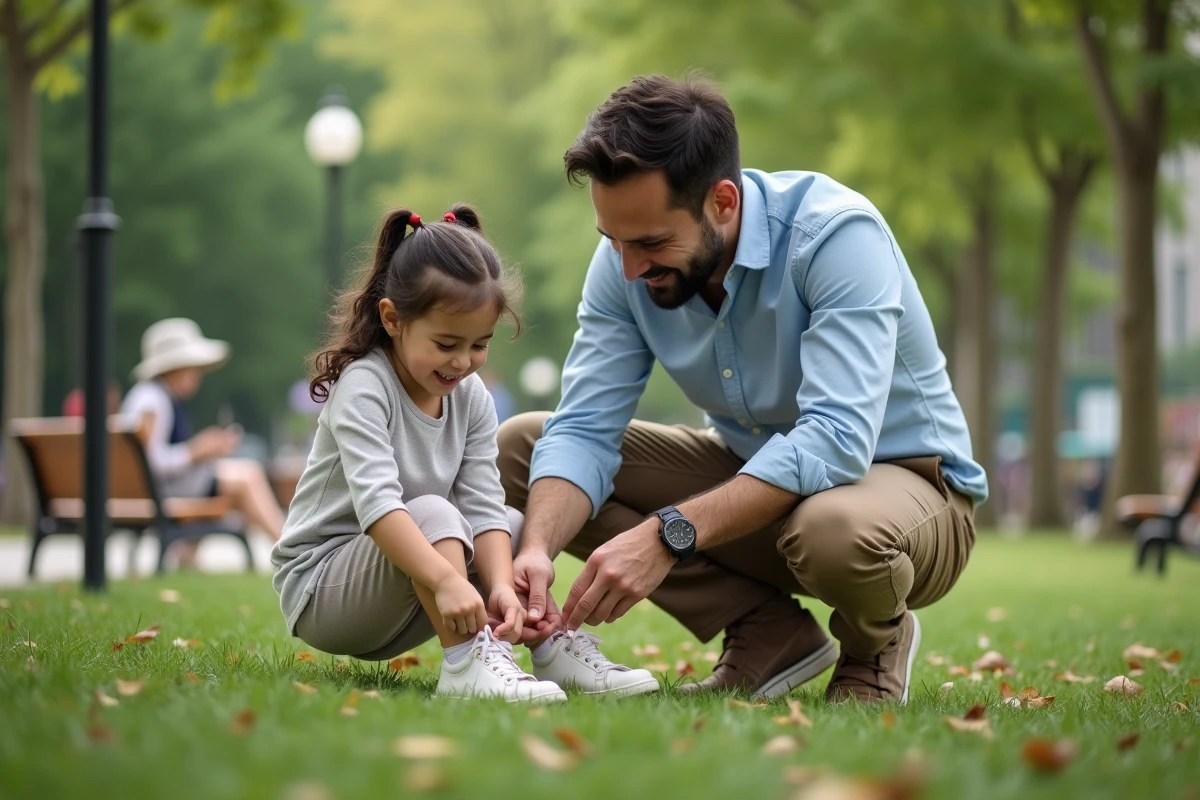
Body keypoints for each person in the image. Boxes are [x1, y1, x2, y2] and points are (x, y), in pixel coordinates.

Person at [498, 74, 989, 705]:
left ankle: (875, 644)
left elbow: (836, 441)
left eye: (650, 242)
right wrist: (537, 548)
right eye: (613, 241)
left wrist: (666, 533)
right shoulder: (626, 262)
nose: (627, 268)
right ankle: (768, 630)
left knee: (833, 529)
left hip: (909, 496)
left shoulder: (836, 236)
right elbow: (585, 428)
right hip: (761, 480)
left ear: (723, 203)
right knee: (524, 446)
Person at [269, 206, 657, 702]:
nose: (462, 362)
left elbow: (482, 501)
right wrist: (446, 580)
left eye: (479, 345)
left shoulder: (470, 396)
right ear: (393, 319)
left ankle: (550, 649)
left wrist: (498, 585)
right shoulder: (365, 387)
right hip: (325, 594)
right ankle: (466, 664)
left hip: (411, 590)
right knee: (433, 511)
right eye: (447, 343)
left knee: (514, 528)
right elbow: (378, 506)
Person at [122, 318, 286, 568]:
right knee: (247, 476)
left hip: (163, 489)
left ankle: (188, 557)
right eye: (192, 367)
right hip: (159, 492)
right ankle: (290, 551)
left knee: (236, 485)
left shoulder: (154, 397)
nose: (197, 376)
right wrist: (194, 452)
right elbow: (149, 461)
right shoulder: (152, 402)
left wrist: (205, 451)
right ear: (173, 367)